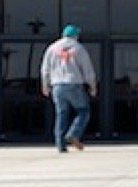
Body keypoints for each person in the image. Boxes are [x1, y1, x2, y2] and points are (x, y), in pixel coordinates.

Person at [39, 24, 97, 153]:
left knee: (61, 114)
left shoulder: (52, 48)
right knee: (83, 110)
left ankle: (60, 145)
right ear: (75, 35)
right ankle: (73, 133)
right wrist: (92, 86)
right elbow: (87, 70)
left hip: (57, 86)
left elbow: (45, 69)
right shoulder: (78, 48)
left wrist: (45, 86)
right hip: (74, 84)